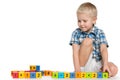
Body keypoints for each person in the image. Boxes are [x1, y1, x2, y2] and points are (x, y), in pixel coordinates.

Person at [69, 2, 118, 77]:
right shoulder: (76, 33)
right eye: (79, 21)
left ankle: (99, 72)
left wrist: (105, 64)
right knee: (88, 41)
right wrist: (77, 70)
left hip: (97, 64)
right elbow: (75, 53)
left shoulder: (99, 32)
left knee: (114, 69)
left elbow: (103, 49)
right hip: (83, 65)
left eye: (85, 21)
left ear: (94, 20)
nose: (81, 24)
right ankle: (82, 71)